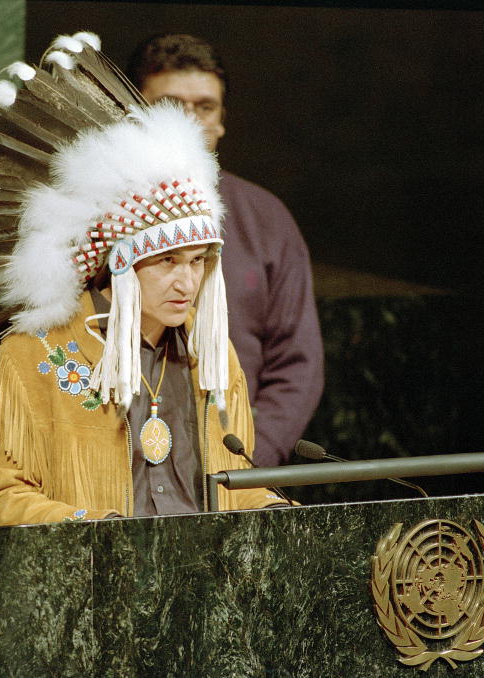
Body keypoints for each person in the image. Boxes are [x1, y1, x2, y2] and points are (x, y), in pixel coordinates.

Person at [0, 33, 291, 526]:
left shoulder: (213, 356)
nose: (187, 280)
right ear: (119, 264)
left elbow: (238, 486)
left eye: (199, 261)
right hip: (93, 585)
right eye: (167, 262)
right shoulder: (34, 356)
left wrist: (274, 512)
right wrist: (93, 530)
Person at [128, 34, 324, 467]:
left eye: (204, 107)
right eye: (171, 106)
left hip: (235, 458)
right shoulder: (97, 216)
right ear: (134, 113)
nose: (191, 121)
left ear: (221, 120)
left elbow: (297, 363)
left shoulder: (265, 218)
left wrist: (252, 456)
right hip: (111, 460)